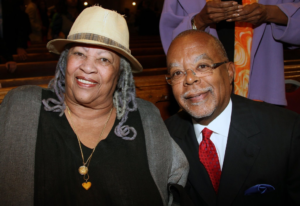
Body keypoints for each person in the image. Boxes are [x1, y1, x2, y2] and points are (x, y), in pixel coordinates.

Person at [0, 6, 188, 205]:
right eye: (79, 53)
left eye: (104, 59)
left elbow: (176, 185)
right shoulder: (21, 107)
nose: (87, 67)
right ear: (65, 60)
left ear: (119, 73)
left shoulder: (146, 117)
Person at [164, 30, 300, 205]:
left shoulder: (286, 131)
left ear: (229, 72)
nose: (189, 79)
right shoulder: (164, 137)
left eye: (203, 66)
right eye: (177, 73)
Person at [160, 0, 300, 106]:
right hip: (202, 84)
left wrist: (270, 13)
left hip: (261, 78)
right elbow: (171, 43)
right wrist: (200, 20)